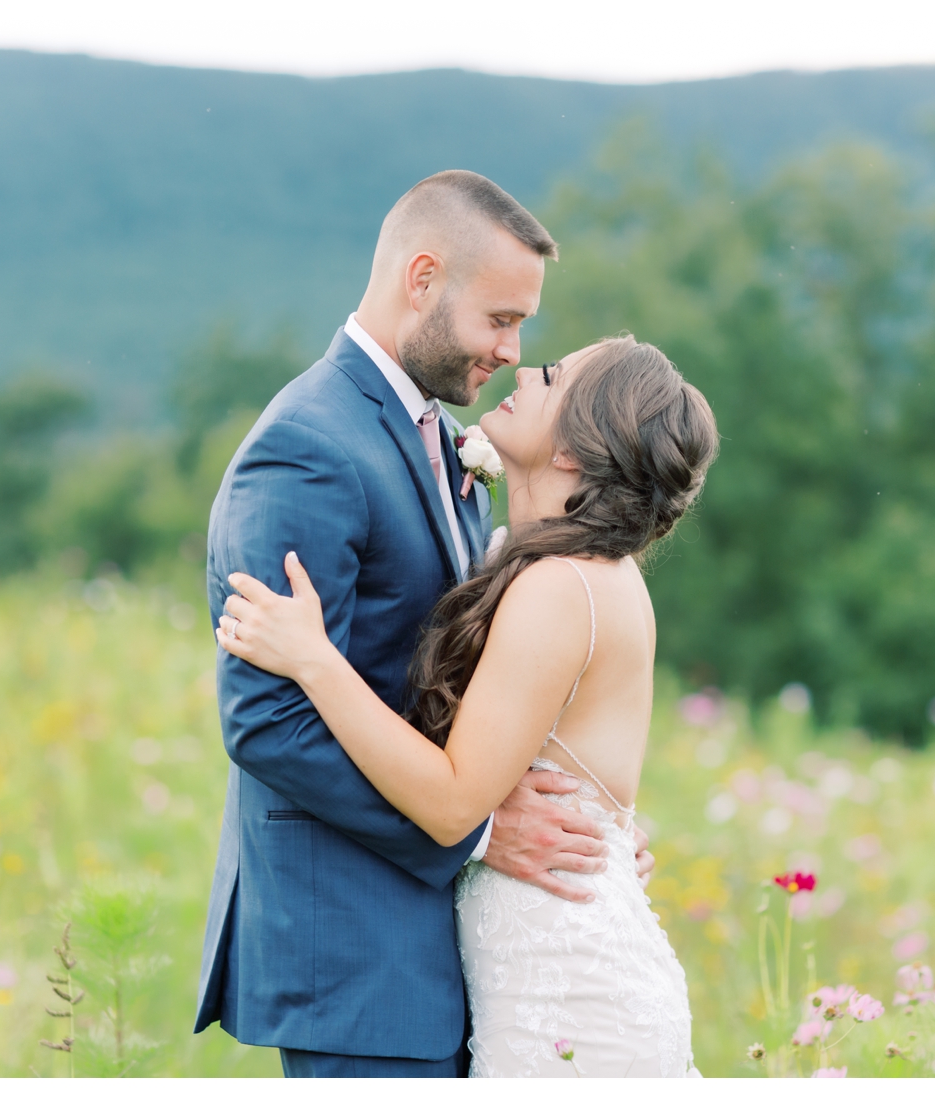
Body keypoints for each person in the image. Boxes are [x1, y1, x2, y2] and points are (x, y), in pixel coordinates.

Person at [192, 170, 657, 1079]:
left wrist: (586, 814)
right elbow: (265, 721)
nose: (513, 350)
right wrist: (480, 831)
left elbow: (459, 685)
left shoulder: (434, 438)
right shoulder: (308, 445)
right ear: (422, 277)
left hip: (447, 953)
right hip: (356, 956)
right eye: (500, 319)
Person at [217, 334, 720, 1076]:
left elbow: (455, 804)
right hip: (535, 980)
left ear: (577, 451)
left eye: (550, 379)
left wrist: (315, 661)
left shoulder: (562, 587)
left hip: (570, 997)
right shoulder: (551, 565)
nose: (523, 369)